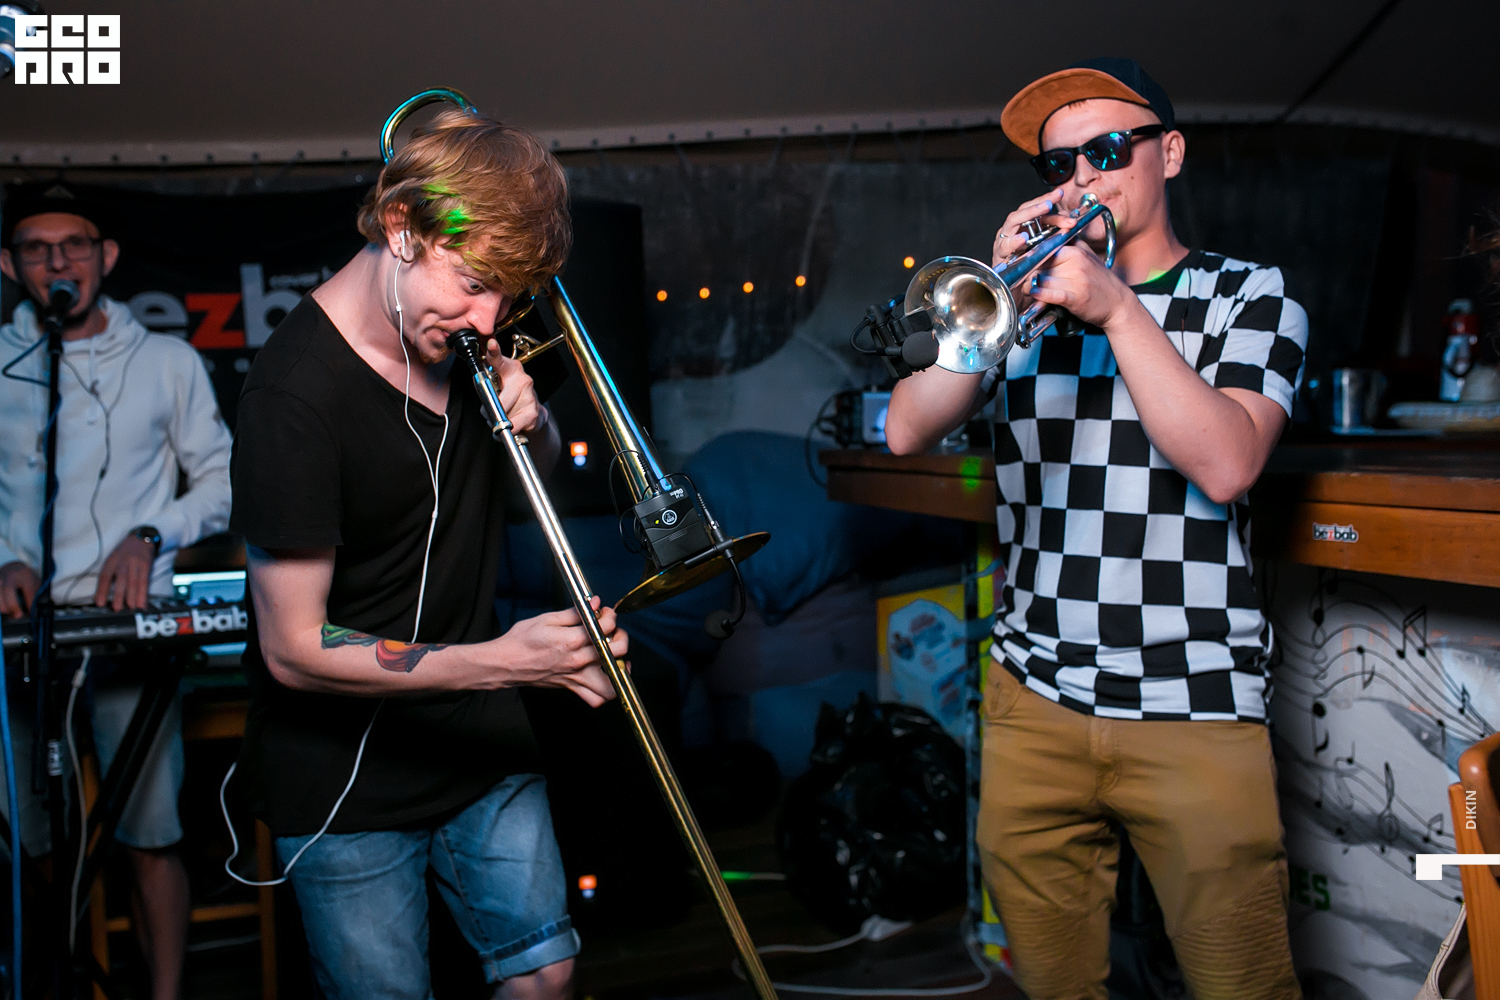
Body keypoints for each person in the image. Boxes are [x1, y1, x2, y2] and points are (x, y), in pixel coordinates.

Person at [886, 58, 1308, 1000]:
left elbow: (1228, 463)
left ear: (1171, 153)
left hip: (1195, 700)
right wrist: (996, 293)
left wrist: (1115, 306)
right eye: (1059, 163)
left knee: (1245, 985)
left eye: (1108, 150)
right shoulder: (1026, 311)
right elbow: (906, 429)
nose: (1082, 178)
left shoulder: (1250, 294)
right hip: (1034, 699)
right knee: (1052, 985)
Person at [228, 108, 627, 1000]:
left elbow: (533, 467)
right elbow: (293, 648)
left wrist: (535, 415)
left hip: (474, 736)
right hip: (343, 779)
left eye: (506, 297)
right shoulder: (293, 397)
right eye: (475, 284)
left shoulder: (473, 327)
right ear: (402, 229)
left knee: (546, 974)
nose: (489, 319)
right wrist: (505, 663)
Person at [0, 182, 234, 1000]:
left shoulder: (167, 362)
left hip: (130, 628)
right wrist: (4, 558)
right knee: (31, 843)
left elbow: (221, 481)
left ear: (105, 257)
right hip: (22, 633)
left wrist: (151, 534)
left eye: (74, 245)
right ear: (10, 266)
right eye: (36, 248)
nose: (57, 262)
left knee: (149, 836)